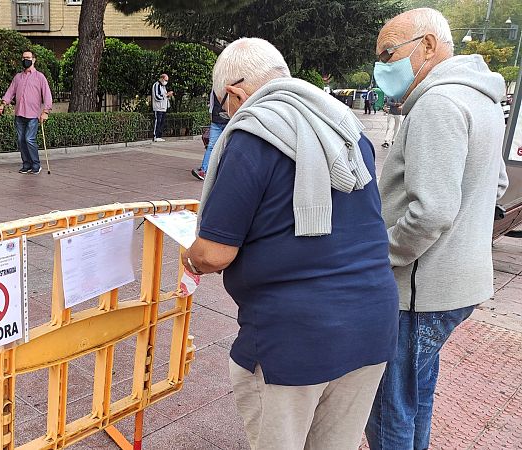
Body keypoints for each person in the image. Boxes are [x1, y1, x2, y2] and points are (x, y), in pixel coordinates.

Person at [181, 37, 398, 450]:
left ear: (234, 93)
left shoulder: (253, 134)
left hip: (296, 336)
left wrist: (189, 257)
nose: (225, 114)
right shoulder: (346, 126)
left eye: (222, 104)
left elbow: (213, 253)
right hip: (372, 322)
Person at [367, 8, 508, 450]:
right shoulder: (479, 98)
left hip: (418, 290)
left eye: (388, 53)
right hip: (455, 284)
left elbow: (431, 212)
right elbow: (497, 183)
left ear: (427, 46)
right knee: (415, 393)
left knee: (390, 409)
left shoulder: (438, 103)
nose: (382, 66)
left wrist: (383, 254)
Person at [0, 49, 53, 174]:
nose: (25, 60)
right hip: (19, 114)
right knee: (21, 140)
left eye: (28, 58)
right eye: (23, 58)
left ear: (33, 60)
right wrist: (2, 105)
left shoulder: (40, 77)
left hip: (33, 115)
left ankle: (36, 164)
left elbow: (47, 95)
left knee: (29, 139)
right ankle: (26, 164)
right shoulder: (18, 77)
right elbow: (10, 92)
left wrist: (45, 111)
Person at [192, 86, 236, 180]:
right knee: (229, 146)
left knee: (212, 146)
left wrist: (212, 117)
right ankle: (227, 171)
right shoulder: (234, 86)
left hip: (217, 119)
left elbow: (211, 104)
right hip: (229, 120)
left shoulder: (216, 87)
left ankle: (204, 171)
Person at [152, 73, 173, 142]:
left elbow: (164, 96)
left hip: (163, 108)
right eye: (165, 80)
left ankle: (159, 136)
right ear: (162, 78)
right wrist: (166, 95)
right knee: (158, 121)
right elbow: (157, 96)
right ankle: (155, 136)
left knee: (162, 122)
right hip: (158, 107)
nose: (166, 82)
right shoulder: (156, 85)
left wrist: (167, 96)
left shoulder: (163, 87)